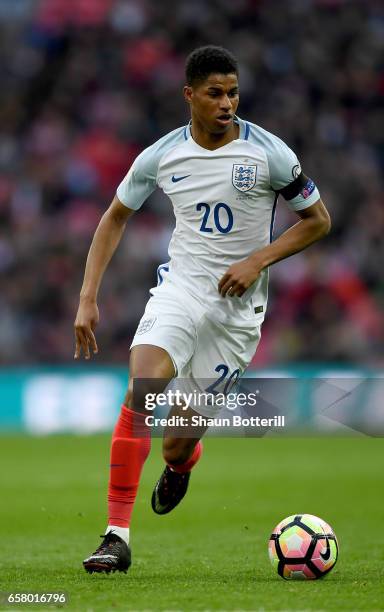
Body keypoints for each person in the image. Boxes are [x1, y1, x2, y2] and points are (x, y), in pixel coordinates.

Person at [74, 45, 331, 574]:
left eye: (233, 92)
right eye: (215, 93)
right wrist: (87, 297)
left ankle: (183, 463)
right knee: (142, 387)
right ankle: (115, 536)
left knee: (174, 447)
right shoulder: (160, 155)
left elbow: (318, 220)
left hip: (236, 317)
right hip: (182, 290)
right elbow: (115, 215)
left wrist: (258, 259)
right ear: (189, 95)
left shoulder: (271, 154)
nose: (227, 103)